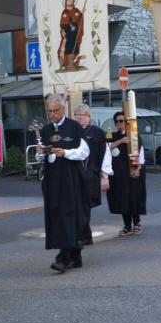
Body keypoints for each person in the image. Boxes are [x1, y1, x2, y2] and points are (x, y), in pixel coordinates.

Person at [38, 94, 91, 272]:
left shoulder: (74, 127)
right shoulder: (45, 130)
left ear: (63, 109)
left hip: (71, 179)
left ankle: (63, 257)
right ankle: (75, 256)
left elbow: (84, 152)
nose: (52, 114)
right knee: (57, 214)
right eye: (50, 111)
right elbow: (42, 157)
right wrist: (40, 153)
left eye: (56, 110)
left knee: (68, 215)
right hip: (52, 180)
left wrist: (66, 153)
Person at [73, 103, 113, 242]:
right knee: (78, 204)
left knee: (85, 205)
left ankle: (83, 235)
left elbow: (106, 154)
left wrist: (105, 175)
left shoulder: (97, 133)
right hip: (76, 174)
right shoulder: (72, 132)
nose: (79, 119)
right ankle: (85, 235)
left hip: (91, 173)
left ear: (89, 117)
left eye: (82, 116)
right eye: (77, 117)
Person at [107, 111, 147, 235]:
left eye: (122, 120)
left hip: (132, 170)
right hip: (118, 173)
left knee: (134, 197)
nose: (119, 123)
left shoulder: (134, 135)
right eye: (117, 121)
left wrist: (138, 168)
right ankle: (127, 225)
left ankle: (137, 223)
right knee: (122, 198)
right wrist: (121, 141)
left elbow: (141, 154)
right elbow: (107, 148)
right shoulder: (112, 135)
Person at [58, 0, 85, 71]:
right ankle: (66, 65)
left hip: (75, 31)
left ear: (73, 2)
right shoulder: (64, 12)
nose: (69, 1)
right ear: (66, 2)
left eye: (71, 0)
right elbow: (62, 23)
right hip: (67, 31)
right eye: (68, 0)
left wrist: (81, 13)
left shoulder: (76, 10)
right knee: (67, 47)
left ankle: (71, 64)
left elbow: (79, 20)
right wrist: (63, 30)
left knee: (74, 47)